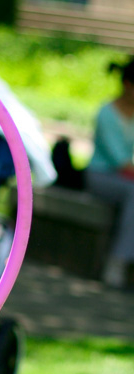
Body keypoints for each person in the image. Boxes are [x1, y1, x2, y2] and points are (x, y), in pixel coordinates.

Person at [86, 57, 134, 287]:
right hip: (101, 177)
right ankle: (117, 262)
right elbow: (120, 162)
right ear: (128, 85)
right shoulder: (107, 113)